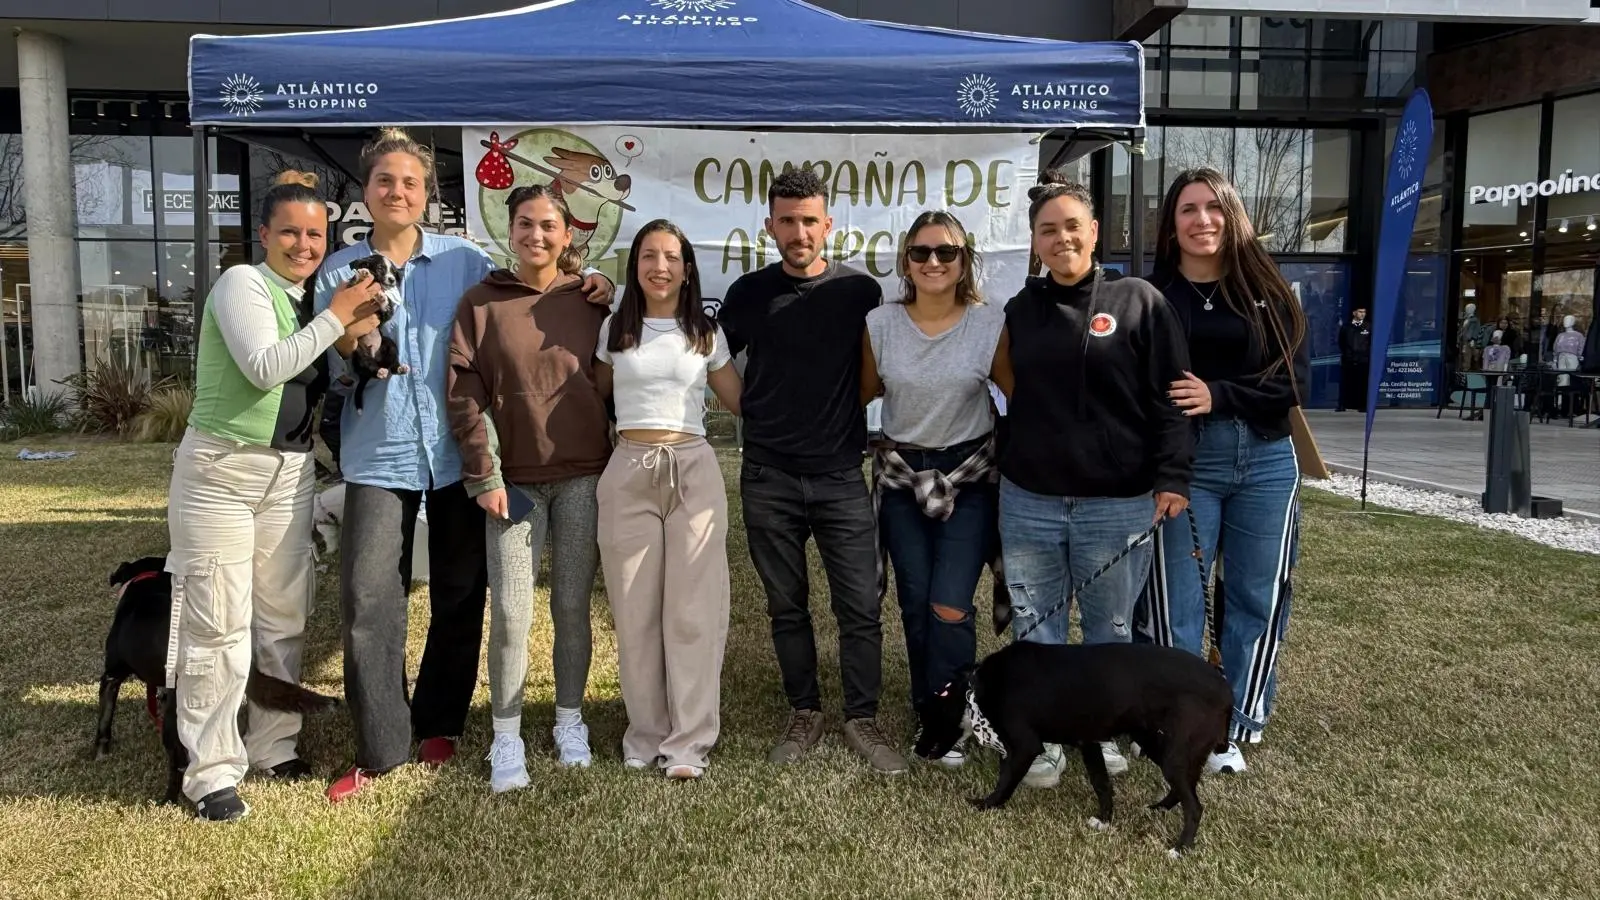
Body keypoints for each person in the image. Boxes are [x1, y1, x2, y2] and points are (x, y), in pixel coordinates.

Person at [313, 128, 613, 802]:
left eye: (410, 182)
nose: (397, 192)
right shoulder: (339, 270)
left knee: (459, 593)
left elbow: (535, 295)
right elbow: (339, 357)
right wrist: (358, 333)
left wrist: (592, 281)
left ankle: (440, 722)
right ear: (367, 191)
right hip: (380, 452)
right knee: (369, 599)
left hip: (453, 458)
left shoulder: (466, 261)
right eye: (385, 181)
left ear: (427, 194)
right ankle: (382, 746)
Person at [167, 170, 385, 820]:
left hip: (290, 473)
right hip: (221, 472)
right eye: (290, 232)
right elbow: (264, 366)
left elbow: (327, 372)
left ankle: (273, 744)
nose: (303, 245)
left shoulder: (307, 301)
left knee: (284, 620)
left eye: (315, 235)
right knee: (219, 625)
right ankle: (211, 773)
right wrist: (336, 317)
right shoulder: (242, 284)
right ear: (263, 234)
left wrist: (353, 335)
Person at [989, 180, 1192, 788]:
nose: (1062, 238)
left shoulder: (1140, 300)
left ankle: (1103, 732)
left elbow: (1174, 398)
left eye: (1072, 225)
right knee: (1036, 628)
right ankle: (1046, 740)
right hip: (1029, 499)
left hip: (1116, 502)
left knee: (1110, 633)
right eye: (1047, 230)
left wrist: (1173, 474)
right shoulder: (1020, 309)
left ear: (1095, 231)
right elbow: (1007, 388)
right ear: (1034, 242)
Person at [718, 169, 905, 774]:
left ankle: (862, 717)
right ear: (769, 226)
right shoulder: (748, 293)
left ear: (828, 225)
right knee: (786, 606)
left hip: (840, 474)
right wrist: (749, 407)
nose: (798, 232)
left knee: (860, 606)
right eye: (787, 221)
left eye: (808, 221)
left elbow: (881, 365)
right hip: (767, 476)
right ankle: (804, 711)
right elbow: (707, 351)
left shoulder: (860, 292)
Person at [1139, 166, 1310, 775]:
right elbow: (1143, 386)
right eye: (1188, 209)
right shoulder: (1151, 296)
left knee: (1257, 595)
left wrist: (1219, 394)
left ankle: (1237, 720)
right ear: (1171, 224)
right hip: (1188, 462)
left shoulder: (1268, 289)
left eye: (1214, 207)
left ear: (1233, 215)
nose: (1202, 220)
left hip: (1266, 459)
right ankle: (1177, 716)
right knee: (1176, 600)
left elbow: (1293, 383)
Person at [446, 184, 611, 791]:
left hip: (584, 477)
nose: (536, 235)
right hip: (512, 485)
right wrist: (484, 473)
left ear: (567, 235)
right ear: (509, 230)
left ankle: (569, 720)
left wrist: (604, 285)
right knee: (513, 613)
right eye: (525, 224)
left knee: (572, 606)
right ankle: (507, 734)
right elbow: (464, 393)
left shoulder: (593, 302)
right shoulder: (481, 303)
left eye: (548, 225)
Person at [593, 219, 743, 781]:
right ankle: (646, 732)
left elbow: (740, 401)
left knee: (693, 611)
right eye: (649, 256)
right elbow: (596, 393)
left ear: (686, 269)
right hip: (629, 468)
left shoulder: (705, 333)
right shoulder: (615, 328)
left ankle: (689, 742)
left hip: (693, 470)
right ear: (634, 266)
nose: (660, 267)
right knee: (634, 610)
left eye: (671, 257)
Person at [860, 210, 1003, 767]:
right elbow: (861, 392)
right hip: (902, 477)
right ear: (906, 262)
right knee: (916, 600)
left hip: (969, 477)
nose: (933, 262)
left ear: (964, 261)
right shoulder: (880, 324)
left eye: (947, 252)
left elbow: (1025, 396)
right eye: (921, 252)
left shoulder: (989, 325)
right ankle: (931, 708)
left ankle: (955, 709)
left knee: (949, 603)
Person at [1337, 306, 1370, 412]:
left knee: (1362, 383)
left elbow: (1370, 343)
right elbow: (1341, 341)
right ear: (1354, 313)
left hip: (1363, 360)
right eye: (1360, 312)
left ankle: (1362, 405)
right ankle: (1342, 404)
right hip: (1348, 359)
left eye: (1364, 312)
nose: (1362, 314)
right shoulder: (1346, 327)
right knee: (1345, 383)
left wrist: (1365, 354)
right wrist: (1346, 353)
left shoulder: (1368, 326)